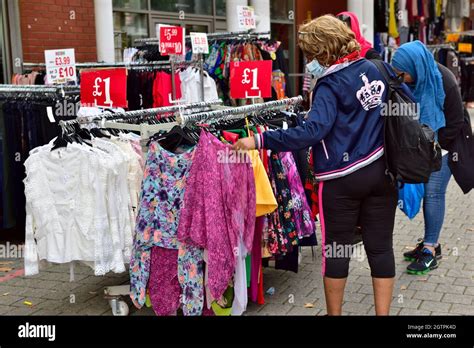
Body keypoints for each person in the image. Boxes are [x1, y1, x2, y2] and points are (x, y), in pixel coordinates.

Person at [233, 15, 398, 316]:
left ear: (322, 51)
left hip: (341, 180)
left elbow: (312, 132)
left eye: (310, 53)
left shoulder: (329, 84)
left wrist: (259, 139)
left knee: (337, 251)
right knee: (381, 249)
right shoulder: (378, 69)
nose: (309, 60)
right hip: (382, 173)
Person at [392, 41, 465, 275]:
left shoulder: (445, 80)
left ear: (415, 67)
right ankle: (429, 242)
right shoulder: (413, 80)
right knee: (426, 192)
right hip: (423, 147)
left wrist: (433, 147)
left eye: (402, 74)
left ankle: (431, 250)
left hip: (443, 147)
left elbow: (455, 122)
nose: (400, 79)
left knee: (433, 193)